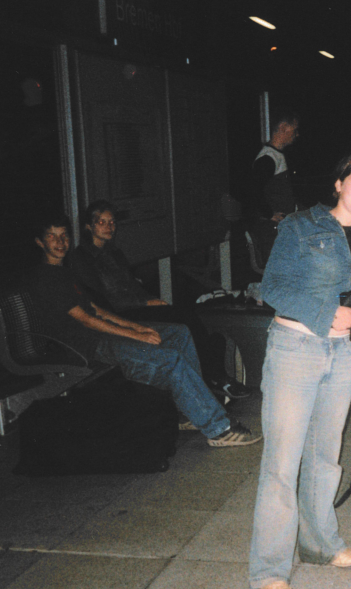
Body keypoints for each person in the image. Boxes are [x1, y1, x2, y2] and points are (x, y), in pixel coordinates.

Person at [248, 151, 351, 589]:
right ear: (338, 183)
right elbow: (271, 287)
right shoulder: (300, 226)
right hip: (294, 349)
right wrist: (324, 313)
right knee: (281, 465)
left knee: (325, 457)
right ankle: (270, 571)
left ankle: (319, 544)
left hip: (342, 353)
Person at [25, 215, 260, 448]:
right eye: (52, 237)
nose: (60, 242)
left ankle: (189, 411)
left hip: (100, 336)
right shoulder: (45, 278)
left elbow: (96, 309)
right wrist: (136, 335)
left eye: (63, 236)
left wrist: (135, 326)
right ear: (39, 242)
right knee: (171, 360)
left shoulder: (64, 273)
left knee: (179, 333)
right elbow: (86, 320)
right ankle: (218, 429)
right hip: (87, 346)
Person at [67, 199, 251, 400]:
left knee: (186, 314)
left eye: (111, 222)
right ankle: (213, 376)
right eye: (101, 222)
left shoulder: (114, 253)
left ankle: (211, 373)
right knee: (183, 317)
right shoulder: (82, 259)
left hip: (133, 306)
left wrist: (150, 299)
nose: (109, 227)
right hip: (118, 314)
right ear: (89, 226)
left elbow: (133, 287)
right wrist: (145, 303)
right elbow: (104, 300)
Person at [246, 112, 300, 267]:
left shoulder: (277, 156)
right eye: (294, 129)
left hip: (281, 228)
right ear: (283, 127)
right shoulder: (268, 158)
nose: (297, 134)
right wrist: (268, 214)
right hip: (272, 230)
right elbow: (253, 190)